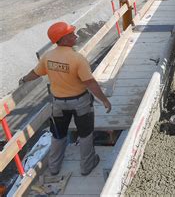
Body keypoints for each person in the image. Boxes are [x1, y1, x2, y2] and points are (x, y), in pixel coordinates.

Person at [19, 22, 112, 175]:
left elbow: (35, 73)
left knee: (58, 134)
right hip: (80, 102)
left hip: (58, 104)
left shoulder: (47, 57)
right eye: (71, 34)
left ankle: (54, 167)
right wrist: (104, 100)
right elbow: (90, 83)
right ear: (63, 38)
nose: (75, 35)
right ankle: (87, 166)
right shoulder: (77, 59)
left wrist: (24, 79)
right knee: (85, 134)